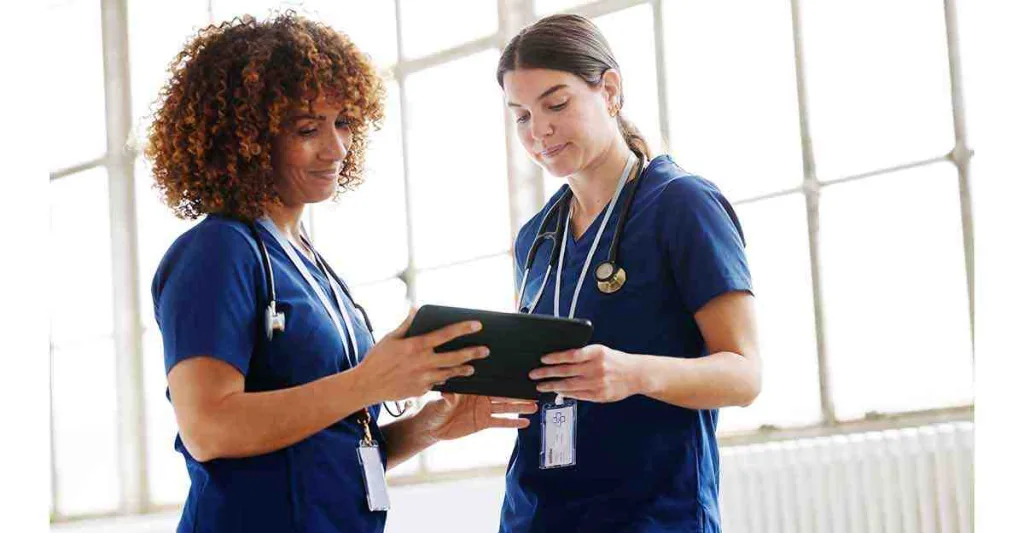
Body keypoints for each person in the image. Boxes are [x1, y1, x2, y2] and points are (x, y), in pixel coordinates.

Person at [145, 12, 535, 533]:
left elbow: (322, 455)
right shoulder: (217, 251)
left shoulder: (309, 263)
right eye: (308, 129)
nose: (336, 148)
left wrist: (427, 428)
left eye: (344, 123)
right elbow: (209, 428)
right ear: (247, 139)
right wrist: (367, 383)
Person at [496, 14, 762, 533]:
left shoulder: (681, 204)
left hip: (651, 514)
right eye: (521, 115)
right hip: (536, 513)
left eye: (556, 103)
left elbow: (745, 374)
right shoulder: (536, 238)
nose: (539, 130)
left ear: (610, 90)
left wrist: (633, 373)